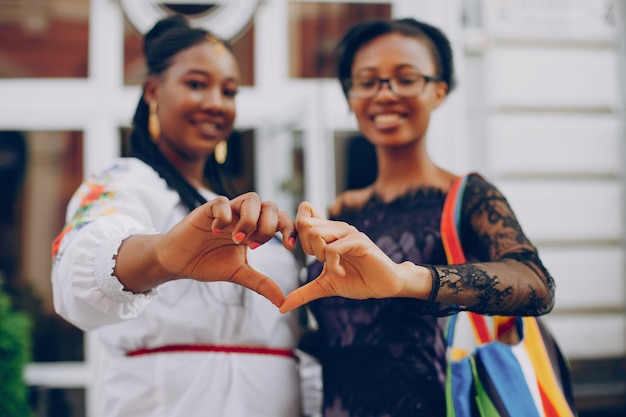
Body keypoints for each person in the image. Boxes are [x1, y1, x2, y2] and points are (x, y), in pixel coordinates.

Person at [279, 17, 555, 417]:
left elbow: (536, 283)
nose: (384, 94)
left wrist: (411, 279)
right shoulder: (340, 213)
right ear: (350, 97)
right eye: (367, 81)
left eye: (405, 78)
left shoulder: (467, 197)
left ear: (438, 91)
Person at [51, 14, 317, 417]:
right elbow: (77, 278)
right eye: (196, 84)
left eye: (228, 91)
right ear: (153, 91)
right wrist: (163, 256)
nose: (215, 102)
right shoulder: (125, 182)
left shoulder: (232, 208)